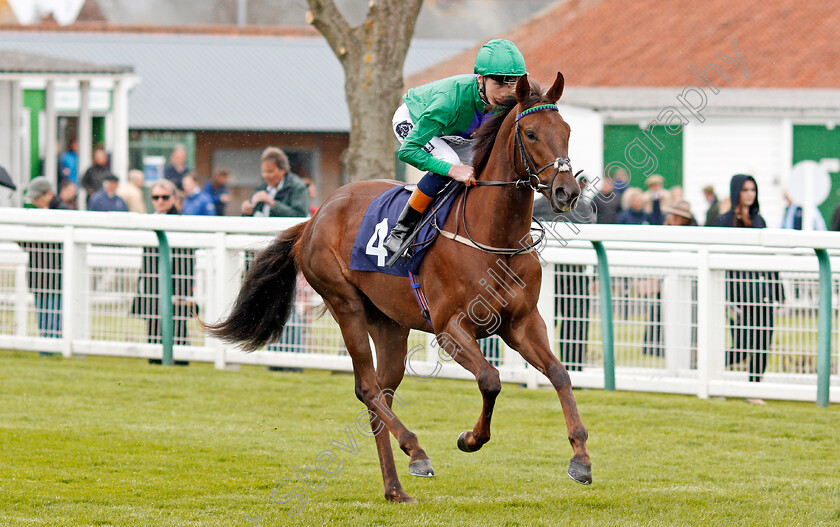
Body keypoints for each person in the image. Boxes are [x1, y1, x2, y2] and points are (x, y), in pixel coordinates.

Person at [383, 38, 528, 253]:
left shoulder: (508, 100)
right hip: (415, 121)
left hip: (456, 133)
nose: (506, 93)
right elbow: (407, 152)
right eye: (499, 83)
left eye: (512, 84)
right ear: (481, 80)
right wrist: (452, 169)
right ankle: (401, 231)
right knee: (449, 162)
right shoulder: (448, 101)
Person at [715, 174, 785, 383]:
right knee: (742, 347)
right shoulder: (724, 221)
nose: (749, 194)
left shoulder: (759, 220)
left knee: (763, 343)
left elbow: (769, 258)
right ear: (737, 191)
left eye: (752, 190)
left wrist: (779, 291)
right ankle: (707, 368)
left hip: (762, 293)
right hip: (738, 294)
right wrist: (725, 296)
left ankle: (755, 387)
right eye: (745, 190)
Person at [130, 179, 196, 363]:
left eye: (164, 197)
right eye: (156, 197)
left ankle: (181, 361)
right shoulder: (149, 219)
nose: (160, 201)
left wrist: (183, 291)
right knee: (153, 324)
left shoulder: (180, 222)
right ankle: (155, 360)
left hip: (174, 285)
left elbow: (187, 260)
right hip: (152, 284)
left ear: (174, 198)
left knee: (177, 326)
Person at [20, 177, 63, 341]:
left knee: (54, 314)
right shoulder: (34, 214)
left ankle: (52, 345)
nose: (35, 201)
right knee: (42, 314)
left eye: (38, 198)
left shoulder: (63, 211)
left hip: (56, 273)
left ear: (48, 194)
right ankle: (46, 345)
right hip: (39, 272)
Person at [241, 147, 309, 217]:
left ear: (283, 171)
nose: (265, 175)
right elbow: (251, 217)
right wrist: (247, 211)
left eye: (270, 171)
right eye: (264, 171)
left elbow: (299, 216)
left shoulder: (297, 187)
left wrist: (271, 202)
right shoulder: (261, 187)